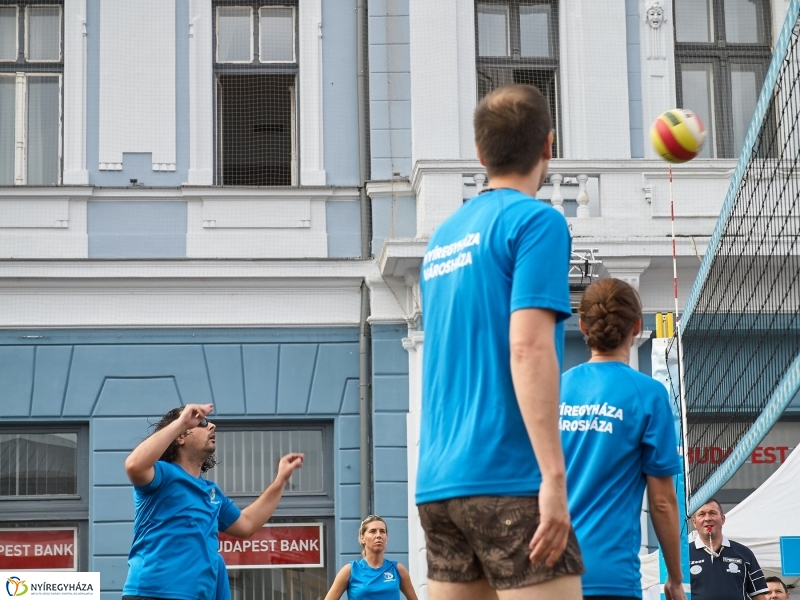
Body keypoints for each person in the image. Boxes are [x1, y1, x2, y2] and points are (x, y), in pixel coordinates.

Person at [416, 83, 584, 600]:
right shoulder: (537, 222)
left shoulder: (442, 238)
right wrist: (554, 477)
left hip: (440, 486)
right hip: (508, 477)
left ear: (480, 153)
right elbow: (527, 348)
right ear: (548, 147)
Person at [560, 278, 686, 600]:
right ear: (638, 327)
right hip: (610, 576)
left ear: (584, 326)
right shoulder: (649, 394)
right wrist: (673, 577)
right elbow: (662, 501)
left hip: (547, 572)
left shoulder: (554, 389)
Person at [122, 403, 304, 600]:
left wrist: (280, 481)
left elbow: (247, 525)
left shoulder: (212, 492)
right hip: (152, 594)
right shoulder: (162, 474)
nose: (212, 426)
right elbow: (134, 466)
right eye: (202, 422)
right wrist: (182, 422)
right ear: (181, 437)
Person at [323, 515, 418, 600]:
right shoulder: (350, 570)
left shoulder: (397, 569)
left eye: (382, 532)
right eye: (372, 531)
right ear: (362, 538)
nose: (378, 536)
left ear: (387, 538)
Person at [689, 498, 768, 600]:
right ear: (694, 522)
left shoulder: (744, 553)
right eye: (702, 514)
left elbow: (759, 595)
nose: (707, 518)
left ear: (722, 519)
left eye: (712, 513)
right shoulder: (683, 555)